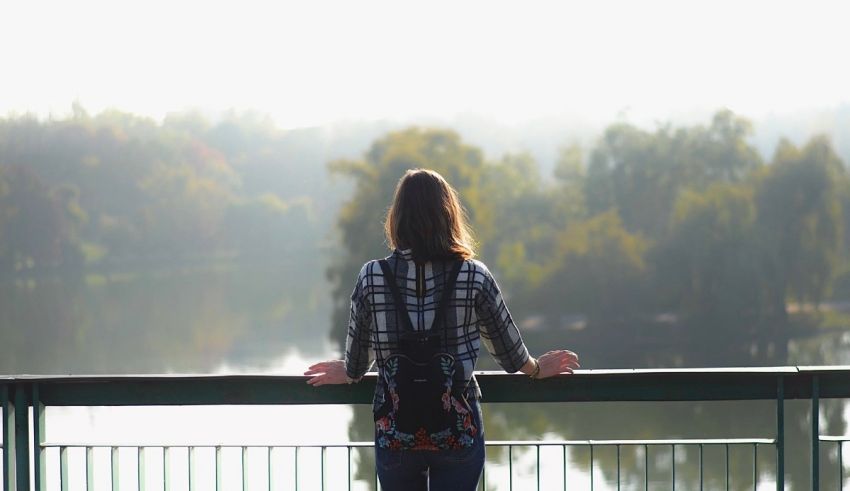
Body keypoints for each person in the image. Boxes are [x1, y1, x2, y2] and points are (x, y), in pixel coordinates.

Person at [304, 168, 580, 490]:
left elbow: (356, 364)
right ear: (449, 215)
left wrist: (349, 371)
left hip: (396, 433)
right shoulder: (474, 275)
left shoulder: (372, 276)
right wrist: (535, 369)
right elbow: (510, 356)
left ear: (398, 217)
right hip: (457, 431)